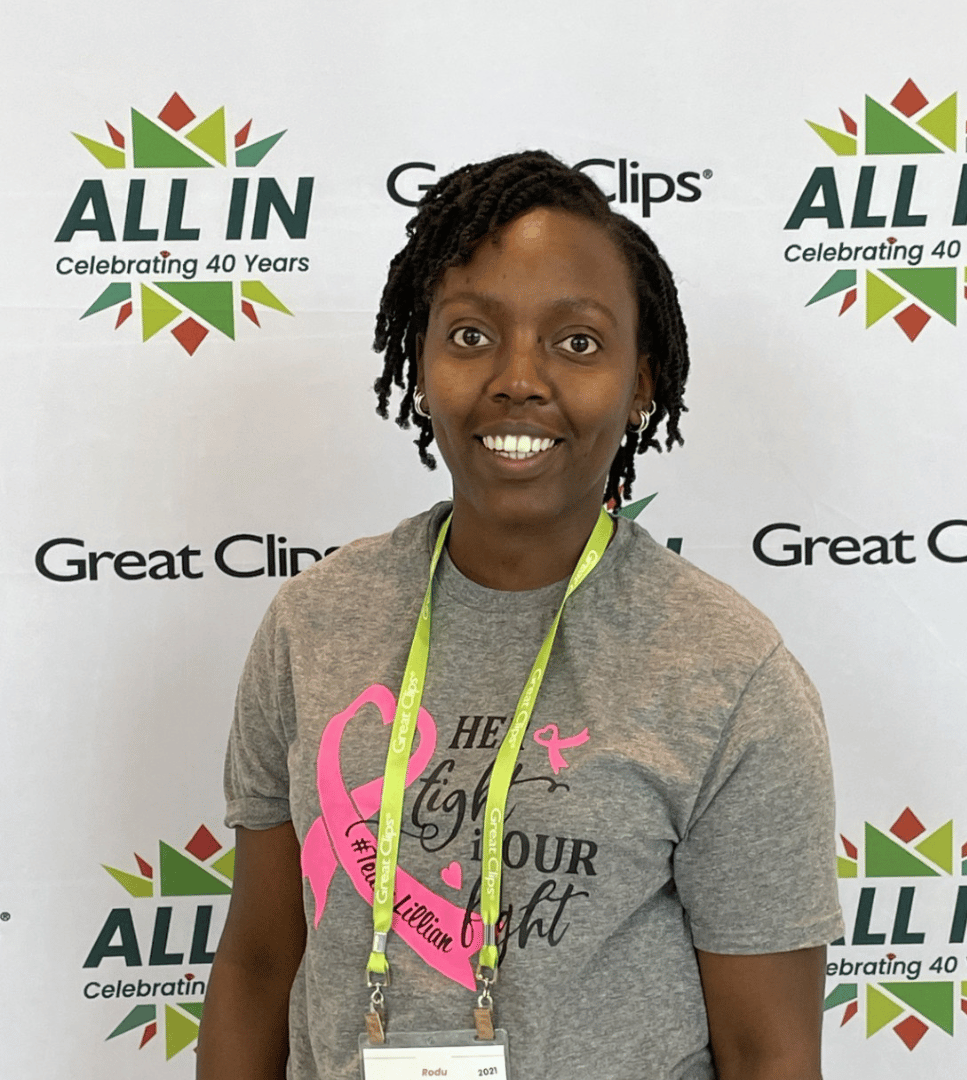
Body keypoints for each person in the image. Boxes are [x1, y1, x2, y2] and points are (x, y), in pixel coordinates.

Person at [198, 150, 843, 1080]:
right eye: (470, 336)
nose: (517, 378)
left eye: (577, 342)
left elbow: (769, 1052)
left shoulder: (728, 676)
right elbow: (260, 966)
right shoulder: (314, 623)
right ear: (419, 360)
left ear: (643, 380)